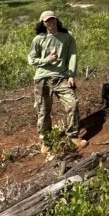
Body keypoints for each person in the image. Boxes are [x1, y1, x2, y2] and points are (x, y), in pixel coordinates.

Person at [28, 11, 87, 155]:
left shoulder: (67, 37)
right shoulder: (38, 39)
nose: (51, 23)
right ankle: (46, 141)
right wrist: (46, 60)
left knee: (72, 104)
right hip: (43, 79)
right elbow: (31, 59)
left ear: (56, 20)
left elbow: (72, 56)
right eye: (47, 21)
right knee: (43, 111)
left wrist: (71, 75)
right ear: (43, 23)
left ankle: (73, 136)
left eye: (53, 20)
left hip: (62, 78)